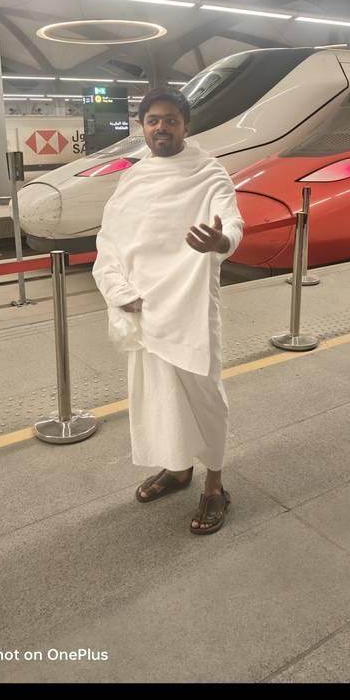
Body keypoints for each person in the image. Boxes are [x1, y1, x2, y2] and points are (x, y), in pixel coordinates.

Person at [92, 87, 244, 535]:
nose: (161, 127)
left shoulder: (209, 173)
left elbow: (230, 221)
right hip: (143, 305)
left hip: (190, 304)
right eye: (153, 120)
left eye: (170, 120)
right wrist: (118, 290)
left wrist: (221, 242)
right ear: (142, 126)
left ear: (186, 125)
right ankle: (178, 469)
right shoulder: (133, 178)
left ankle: (215, 485)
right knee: (158, 394)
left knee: (205, 395)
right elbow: (110, 240)